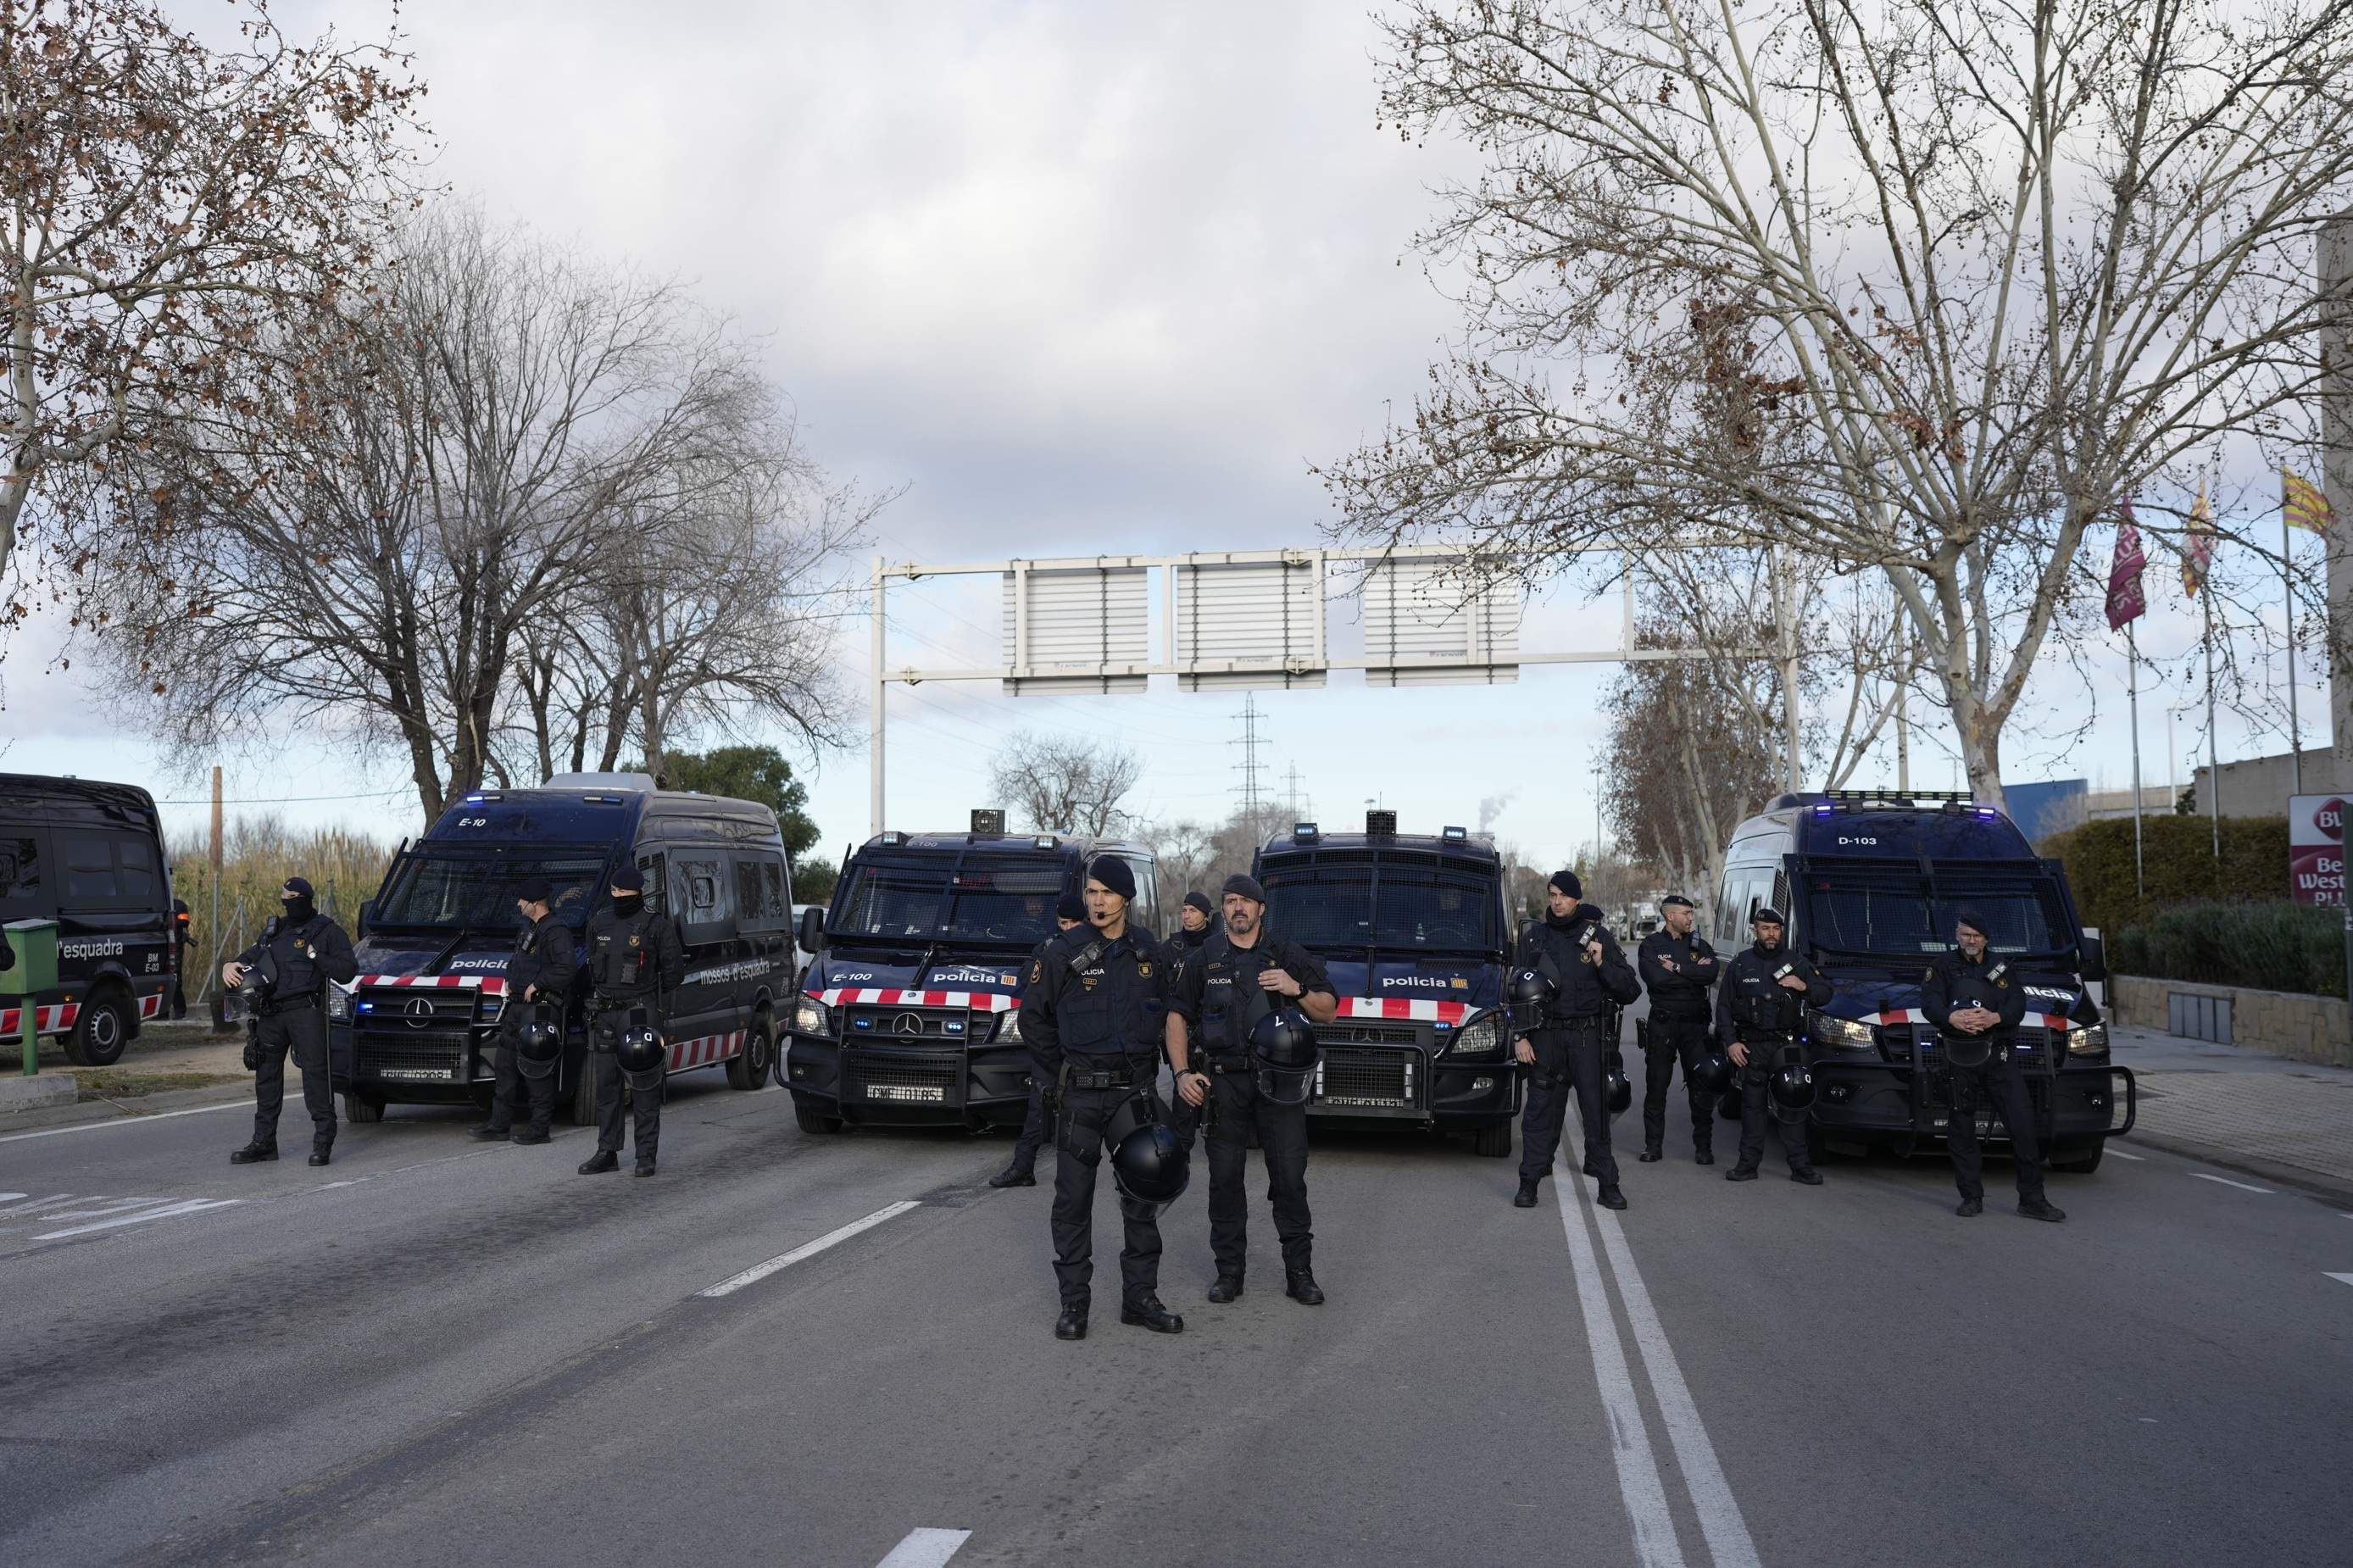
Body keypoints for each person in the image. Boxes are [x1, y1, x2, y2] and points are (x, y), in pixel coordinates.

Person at [1018, 856, 1181, 1341]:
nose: (1097, 901)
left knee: (1143, 1196)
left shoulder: (1150, 951)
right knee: (1073, 1201)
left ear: (1125, 898)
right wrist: (1059, 1073)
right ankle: (1075, 1304)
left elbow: (1174, 1010)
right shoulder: (1063, 951)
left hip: (1134, 1093)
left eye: (1106, 893)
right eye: (1091, 892)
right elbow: (1033, 1020)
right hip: (1082, 1096)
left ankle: (1140, 1298)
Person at [1167, 873, 1338, 1307]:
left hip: (1278, 1085)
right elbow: (1176, 1016)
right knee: (1225, 1181)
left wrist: (1295, 988)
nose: (1237, 908)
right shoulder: (1205, 957)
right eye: (1229, 901)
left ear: (1262, 908)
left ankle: (1299, 1273)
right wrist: (1183, 1073)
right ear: (1221, 910)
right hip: (1224, 1082)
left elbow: (1329, 1011)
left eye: (1245, 901)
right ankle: (1230, 1273)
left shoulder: (1284, 954)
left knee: (1289, 1180)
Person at [1922, 912, 2066, 1223]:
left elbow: (2017, 1004)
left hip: (1999, 1057)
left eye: (1976, 935)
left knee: (2024, 1126)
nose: (1970, 941)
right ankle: (1971, 1197)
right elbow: (1930, 1003)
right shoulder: (1942, 966)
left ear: (1986, 938)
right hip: (1960, 1057)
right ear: (1956, 936)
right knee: (1961, 1128)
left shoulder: (2003, 968)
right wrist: (1951, 1017)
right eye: (1964, 934)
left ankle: (2032, 1199)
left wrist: (1994, 1018)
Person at [1512, 871, 1643, 1210]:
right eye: (1552, 894)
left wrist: (1602, 963)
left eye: (1564, 896)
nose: (1557, 901)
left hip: (1587, 1038)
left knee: (1596, 1113)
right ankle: (1529, 1182)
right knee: (1540, 1111)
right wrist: (1520, 1037)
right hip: (1546, 1036)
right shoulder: (1534, 939)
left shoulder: (1598, 937)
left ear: (1576, 900)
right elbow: (1513, 992)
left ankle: (1607, 1185)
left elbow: (1630, 990)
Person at [223, 878, 358, 1168]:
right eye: (284, 896)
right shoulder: (275, 930)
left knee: (315, 1076)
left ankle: (323, 1142)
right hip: (271, 1013)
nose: (288, 902)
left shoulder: (327, 931)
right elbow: (252, 955)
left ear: (307, 898)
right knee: (266, 1077)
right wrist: (230, 964)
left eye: (293, 896)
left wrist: (316, 956)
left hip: (306, 1012)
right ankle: (263, 1143)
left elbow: (348, 970)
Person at [578, 866, 683, 1178]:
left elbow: (674, 973)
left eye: (625, 893)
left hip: (640, 1013)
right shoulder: (599, 922)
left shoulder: (656, 925)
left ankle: (645, 1156)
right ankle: (607, 1151)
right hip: (606, 1012)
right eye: (615, 892)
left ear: (639, 893)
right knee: (606, 1088)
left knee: (645, 1087)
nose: (619, 897)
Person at [1715, 907, 1831, 1186]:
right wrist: (1731, 1043)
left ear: (1782, 931)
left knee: (1793, 1104)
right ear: (1755, 930)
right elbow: (1724, 1009)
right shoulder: (1741, 964)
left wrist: (1804, 987)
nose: (1771, 934)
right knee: (1752, 1109)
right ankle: (1747, 1165)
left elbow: (1825, 994)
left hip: (1786, 1046)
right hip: (1751, 1046)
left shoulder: (1797, 962)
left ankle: (1800, 1168)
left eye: (1776, 929)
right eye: (1766, 928)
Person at [989, 891, 1088, 1188]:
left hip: (1090, 1042)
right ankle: (1023, 1167)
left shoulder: (1098, 949)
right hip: (1054, 1042)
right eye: (1063, 922)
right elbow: (1026, 978)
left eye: (1074, 923)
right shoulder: (1048, 948)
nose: (1068, 928)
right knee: (1038, 1107)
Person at [471, 878, 580, 1148]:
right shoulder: (530, 929)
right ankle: (499, 1124)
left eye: (522, 901)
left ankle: (540, 1128)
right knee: (505, 1066)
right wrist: (511, 979)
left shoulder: (555, 931)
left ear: (534, 904)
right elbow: (517, 960)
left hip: (540, 1009)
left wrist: (538, 983)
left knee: (536, 1071)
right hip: (517, 1007)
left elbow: (567, 969)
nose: (519, 904)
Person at [1635, 894, 1722, 1165]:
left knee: (1702, 1084)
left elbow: (1710, 974)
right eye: (1685, 913)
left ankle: (1703, 1147)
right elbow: (1656, 980)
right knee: (1657, 1085)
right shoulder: (1651, 945)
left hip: (1695, 1024)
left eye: (1691, 913)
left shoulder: (1700, 945)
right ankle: (1653, 1145)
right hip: (1663, 1023)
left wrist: (1676, 968)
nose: (1690, 918)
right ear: (1670, 916)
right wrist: (1691, 972)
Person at [170, 898, 194, 1019]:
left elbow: (185, 921)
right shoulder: (157, 901)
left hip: (175, 946)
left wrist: (168, 920)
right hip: (158, 943)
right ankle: (161, 1013)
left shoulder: (178, 904)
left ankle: (180, 1011)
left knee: (175, 978)